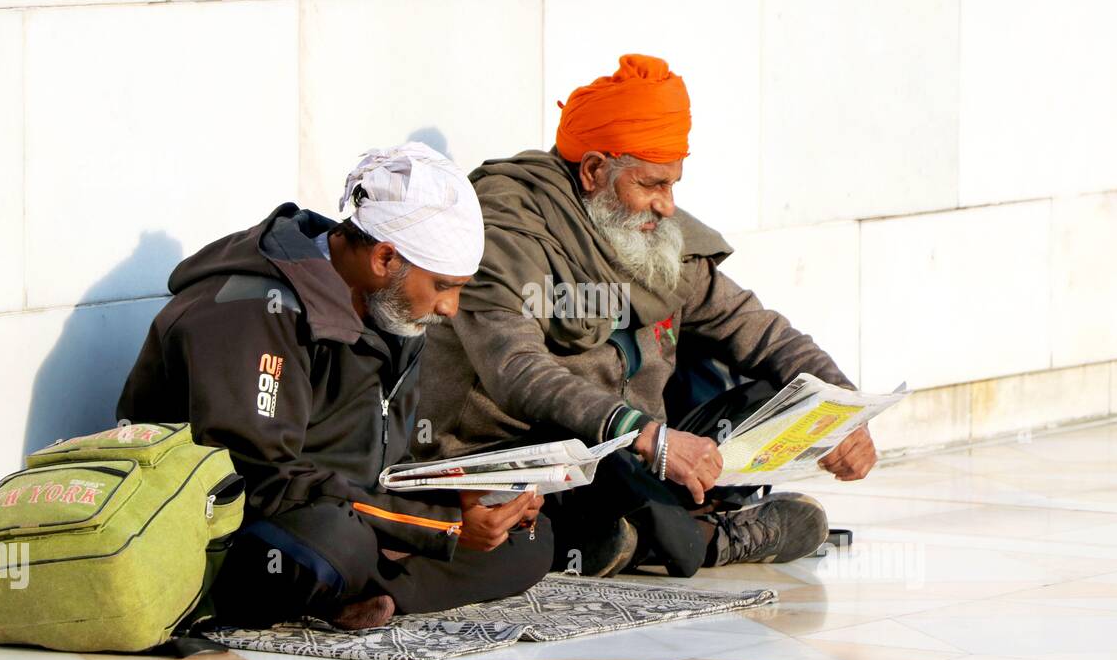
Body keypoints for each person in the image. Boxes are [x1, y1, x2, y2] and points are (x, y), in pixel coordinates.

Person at [417, 56, 877, 579]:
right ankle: (701, 537)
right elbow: (518, 372)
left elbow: (758, 330)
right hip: (534, 451)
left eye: (672, 185)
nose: (666, 206)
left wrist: (844, 410)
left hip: (640, 444)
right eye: (652, 185)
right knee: (605, 473)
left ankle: (647, 532)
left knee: (772, 397)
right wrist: (644, 435)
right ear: (593, 171)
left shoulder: (654, 238)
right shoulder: (505, 233)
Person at [117, 143, 551, 630]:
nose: (450, 307)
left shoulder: (392, 308)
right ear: (386, 258)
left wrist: (461, 501)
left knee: (531, 539)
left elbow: (390, 464)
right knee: (335, 541)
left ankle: (366, 592)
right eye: (442, 285)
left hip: (355, 510)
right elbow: (258, 478)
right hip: (248, 523)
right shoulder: (254, 310)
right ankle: (356, 582)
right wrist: (438, 525)